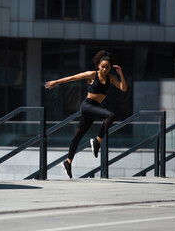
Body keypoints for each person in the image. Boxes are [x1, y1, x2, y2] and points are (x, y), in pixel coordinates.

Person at [45, 50, 127, 178]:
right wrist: (56, 82)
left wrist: (121, 74)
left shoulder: (111, 78)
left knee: (78, 135)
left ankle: (68, 162)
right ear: (98, 66)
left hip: (95, 108)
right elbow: (72, 78)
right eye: (103, 67)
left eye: (107, 67)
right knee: (110, 116)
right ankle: (97, 141)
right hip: (87, 106)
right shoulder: (92, 75)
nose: (105, 69)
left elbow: (123, 88)